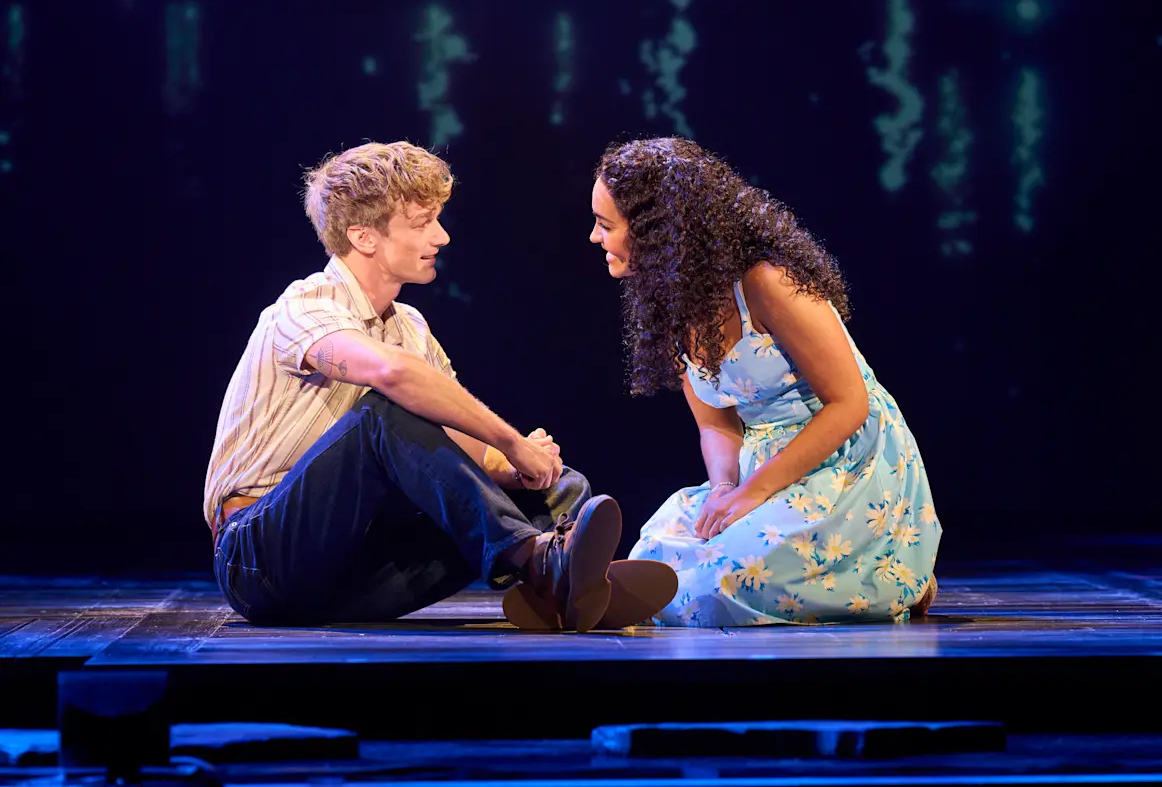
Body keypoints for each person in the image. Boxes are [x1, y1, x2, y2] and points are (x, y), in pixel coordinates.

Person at [203, 140, 675, 632]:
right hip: (260, 562)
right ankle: (542, 567)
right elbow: (392, 377)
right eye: (422, 223)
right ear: (364, 237)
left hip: (353, 576)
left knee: (548, 487)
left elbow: (455, 449)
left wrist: (524, 467)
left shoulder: (409, 327)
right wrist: (511, 440)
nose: (443, 237)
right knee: (383, 410)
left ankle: (565, 588)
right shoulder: (304, 306)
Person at [587, 136, 942, 627]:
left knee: (728, 583)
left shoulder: (767, 283)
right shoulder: (673, 304)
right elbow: (717, 425)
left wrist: (752, 493)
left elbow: (849, 404)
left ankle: (893, 569)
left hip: (843, 463)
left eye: (606, 225)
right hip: (764, 466)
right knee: (660, 549)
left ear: (657, 231)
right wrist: (724, 488)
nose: (594, 237)